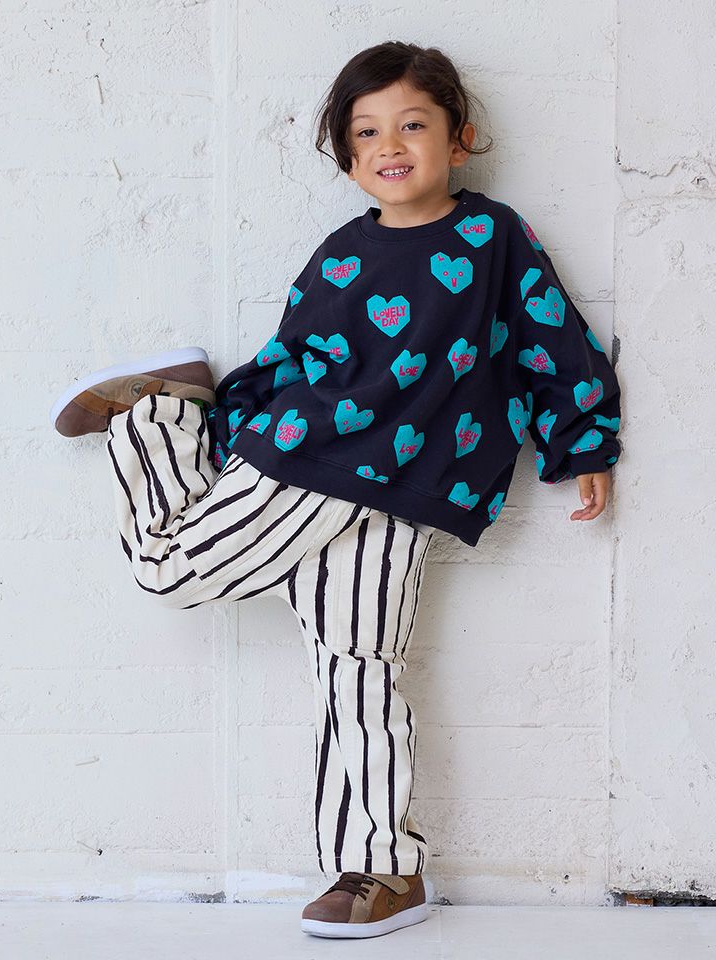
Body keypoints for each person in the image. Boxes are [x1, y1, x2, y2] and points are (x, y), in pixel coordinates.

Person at [50, 40, 622, 940]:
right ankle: (161, 414)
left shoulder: (495, 238)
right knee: (166, 571)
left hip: (411, 493)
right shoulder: (342, 253)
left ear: (459, 140)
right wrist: (238, 426)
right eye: (366, 132)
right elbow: (294, 355)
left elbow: (555, 340)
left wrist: (583, 440)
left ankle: (383, 870)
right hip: (307, 462)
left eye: (412, 124)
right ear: (349, 160)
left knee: (360, 665)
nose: (390, 144)